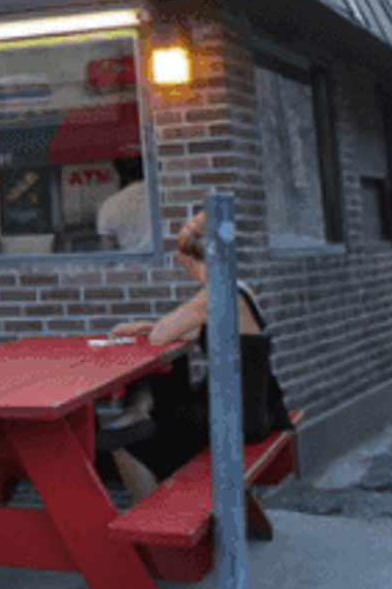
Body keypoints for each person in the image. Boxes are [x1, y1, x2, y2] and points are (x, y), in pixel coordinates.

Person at [101, 210, 290, 501]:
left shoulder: (214, 293)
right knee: (166, 405)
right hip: (259, 407)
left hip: (236, 419)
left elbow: (160, 336)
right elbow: (187, 330)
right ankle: (141, 418)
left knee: (126, 445)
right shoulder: (238, 288)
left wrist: (154, 328)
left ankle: (159, 525)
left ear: (188, 261)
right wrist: (148, 325)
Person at [97, 158, 152, 253]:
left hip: (129, 265)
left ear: (117, 172)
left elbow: (108, 254)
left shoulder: (109, 205)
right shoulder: (164, 198)